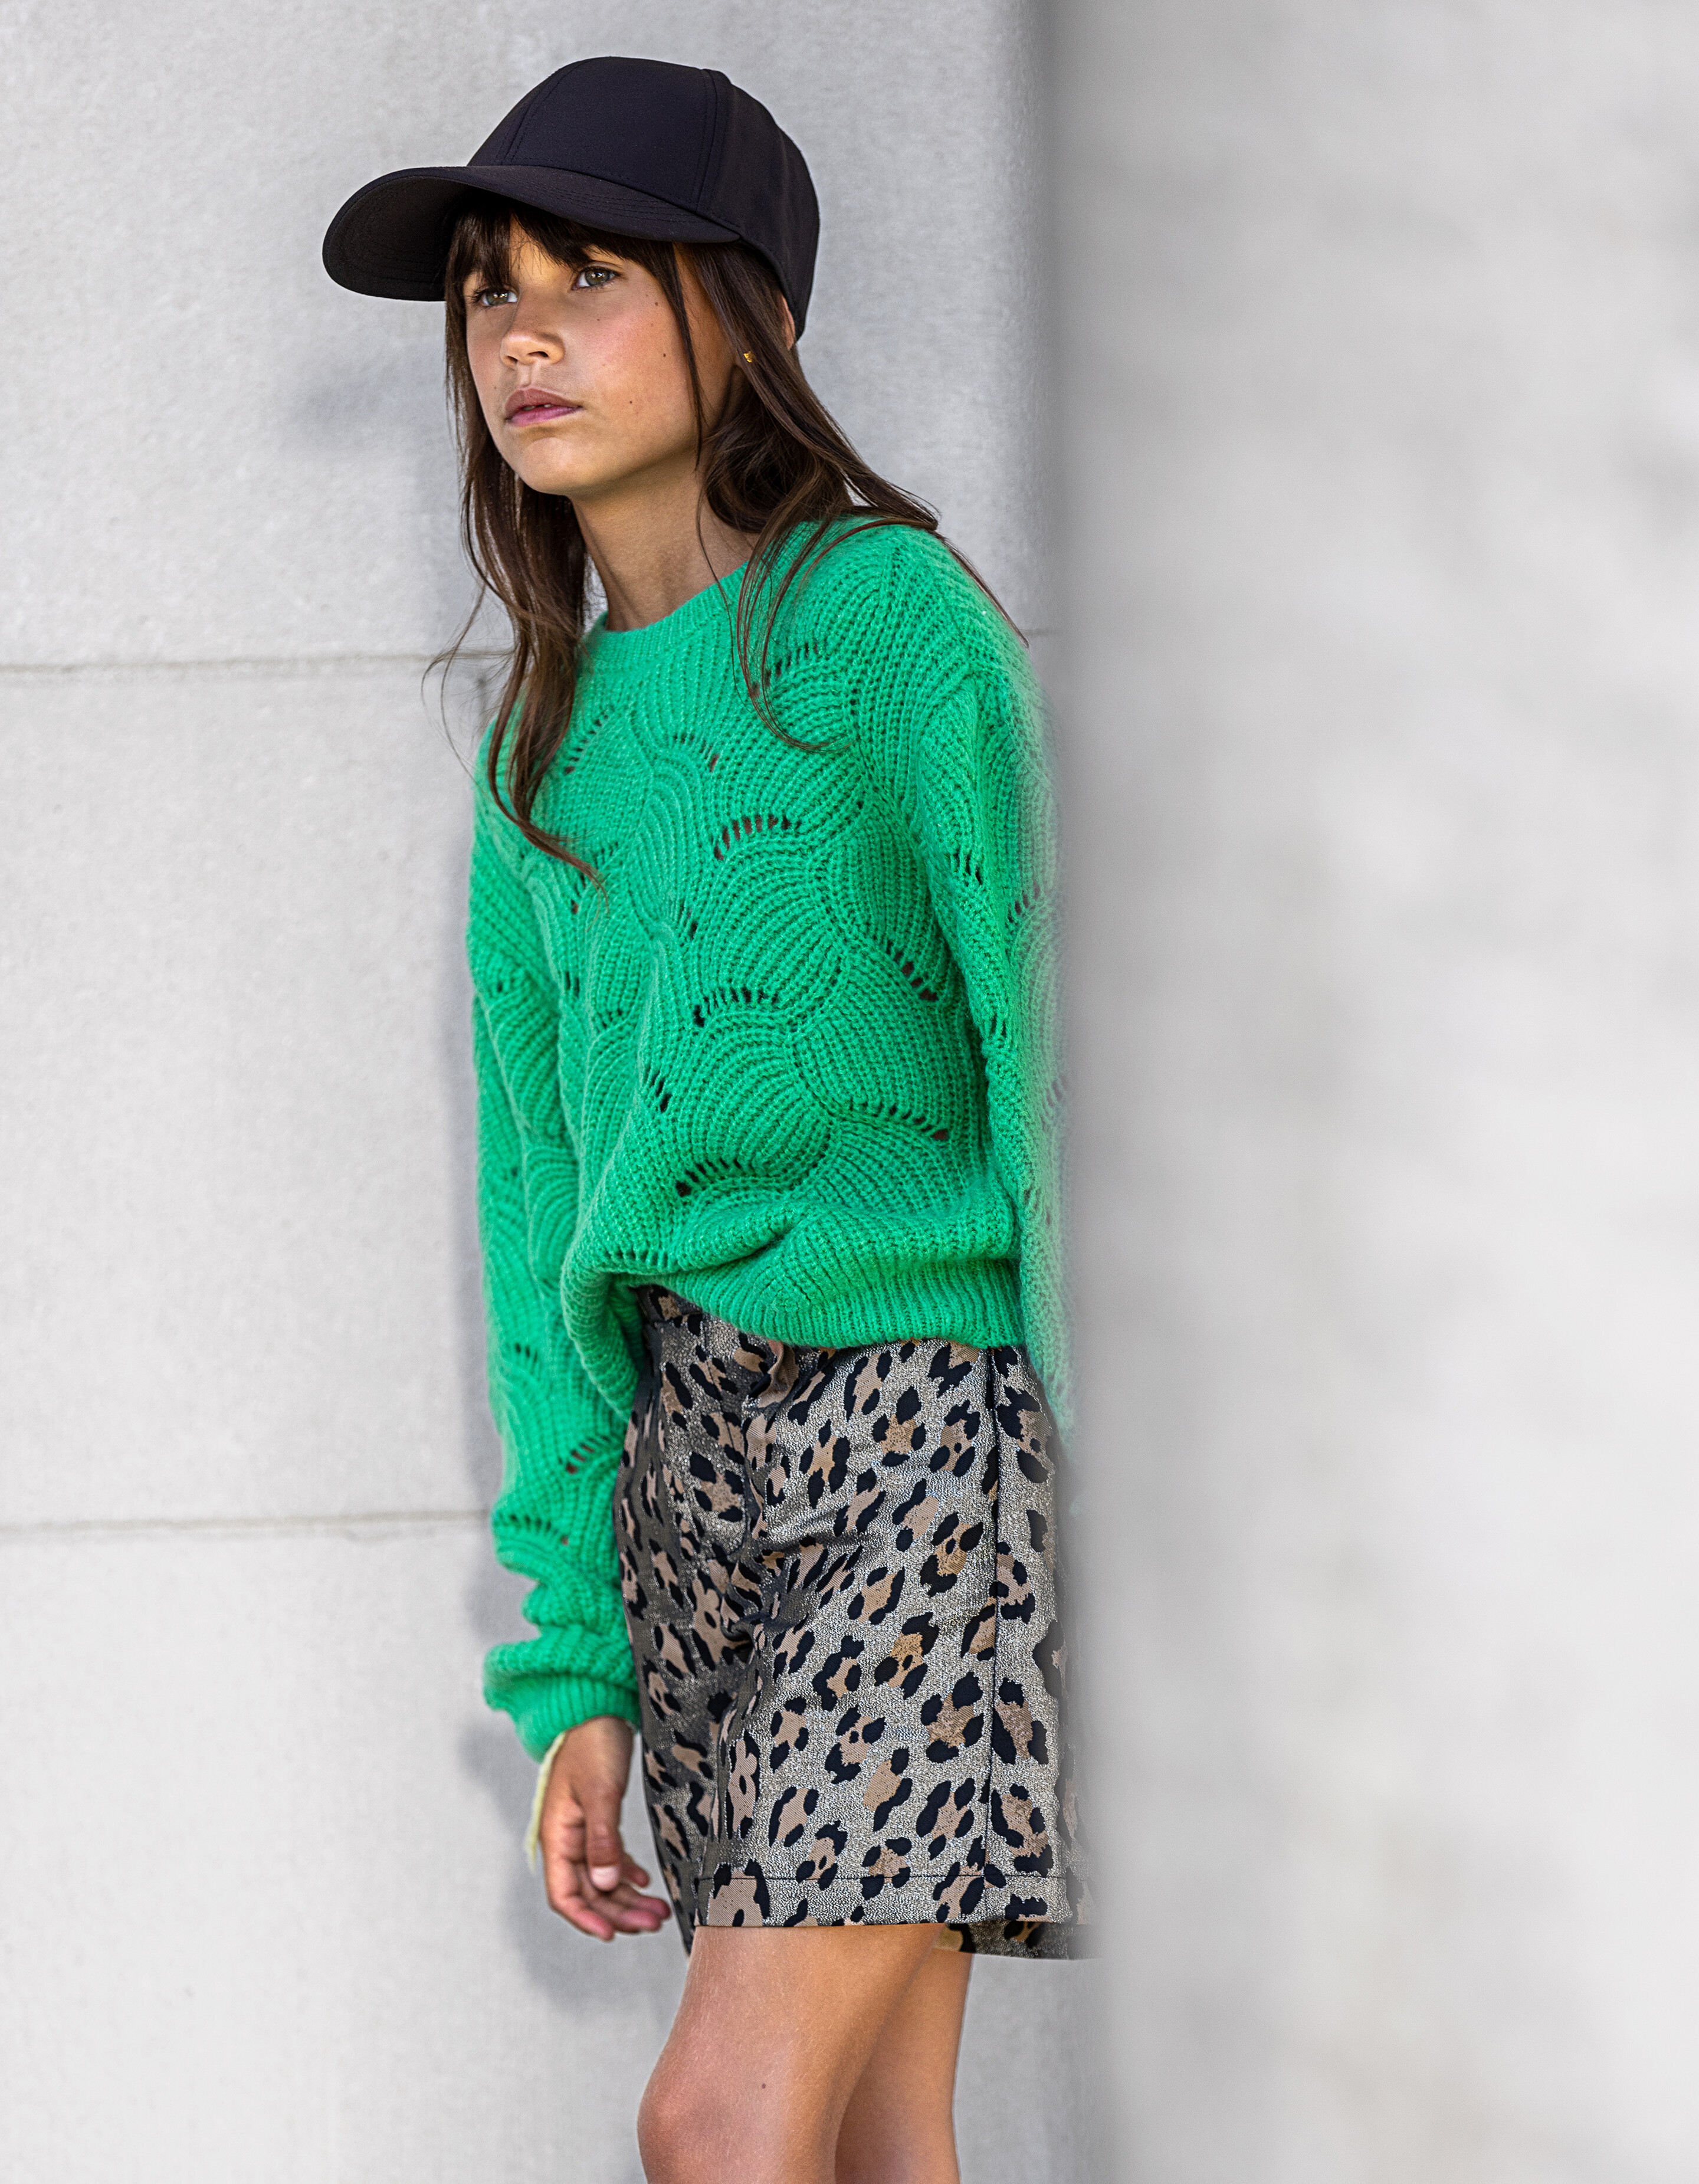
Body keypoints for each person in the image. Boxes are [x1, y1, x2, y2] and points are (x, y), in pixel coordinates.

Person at [323, 54, 1084, 2184]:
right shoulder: (539, 761)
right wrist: (578, 1659)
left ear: (745, 315)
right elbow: (542, 1232)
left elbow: (1064, 1074)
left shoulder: (884, 628)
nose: (522, 336)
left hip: (926, 1436)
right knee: (877, 2140)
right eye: (488, 290)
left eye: (590, 275)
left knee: (715, 2119)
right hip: (693, 1487)